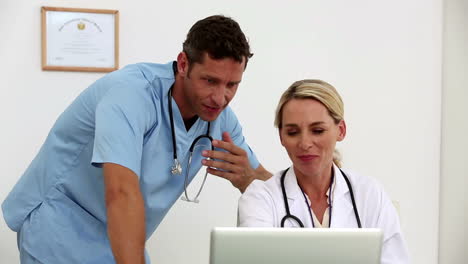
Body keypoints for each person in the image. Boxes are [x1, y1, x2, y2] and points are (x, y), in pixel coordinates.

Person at [2, 15, 271, 264]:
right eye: (210, 81)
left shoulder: (219, 117)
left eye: (232, 85)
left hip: (119, 234)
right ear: (183, 64)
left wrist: (250, 180)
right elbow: (121, 192)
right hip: (59, 225)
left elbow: (268, 186)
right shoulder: (131, 94)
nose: (220, 97)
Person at [238, 79, 409, 264]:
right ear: (281, 136)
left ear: (341, 131)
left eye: (317, 130)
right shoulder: (260, 198)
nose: (304, 143)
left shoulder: (369, 194)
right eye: (293, 132)